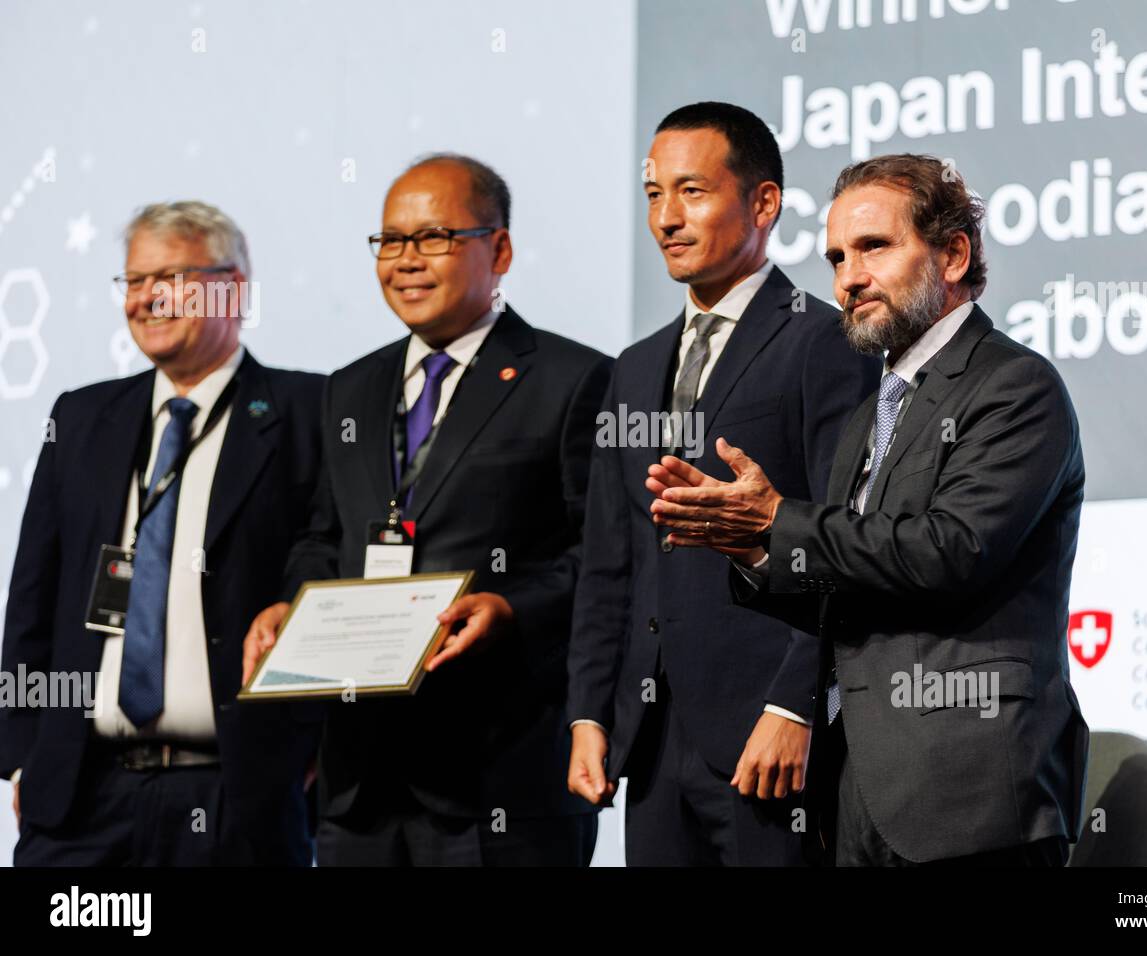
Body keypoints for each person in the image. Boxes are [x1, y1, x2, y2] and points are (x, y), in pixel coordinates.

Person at [648, 153, 1090, 866]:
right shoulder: (868, 414)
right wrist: (757, 551)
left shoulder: (1015, 387)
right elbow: (851, 579)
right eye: (836, 257)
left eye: (874, 247)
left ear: (952, 254)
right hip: (853, 795)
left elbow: (949, 552)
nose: (848, 278)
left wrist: (776, 522)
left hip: (969, 797)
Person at [243, 154, 610, 866]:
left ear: (498, 249)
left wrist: (511, 606)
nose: (406, 260)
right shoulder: (350, 387)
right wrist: (290, 605)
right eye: (391, 241)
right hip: (360, 787)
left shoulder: (573, 379)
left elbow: (599, 556)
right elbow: (325, 536)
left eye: (434, 237)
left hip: (500, 779)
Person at [566, 102, 878, 865]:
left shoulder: (823, 340)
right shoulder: (634, 366)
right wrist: (589, 714)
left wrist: (796, 701)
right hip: (649, 736)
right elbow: (612, 559)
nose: (666, 218)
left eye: (693, 192)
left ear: (763, 203)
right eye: (652, 194)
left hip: (766, 736)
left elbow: (846, 536)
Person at [1, 201, 323, 865]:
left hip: (238, 799)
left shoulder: (308, 413)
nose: (147, 298)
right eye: (134, 281)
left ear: (233, 289)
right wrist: (23, 755)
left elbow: (327, 576)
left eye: (169, 278)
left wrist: (314, 749)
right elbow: (33, 599)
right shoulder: (83, 417)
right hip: (82, 802)